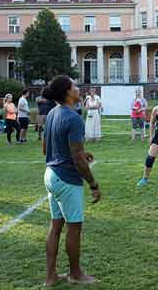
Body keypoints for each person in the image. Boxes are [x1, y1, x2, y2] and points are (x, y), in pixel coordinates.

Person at [43, 75, 101, 286]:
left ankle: (51, 277)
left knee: (55, 227)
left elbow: (46, 148)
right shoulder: (74, 117)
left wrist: (80, 153)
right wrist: (93, 184)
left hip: (51, 176)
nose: (79, 88)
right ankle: (75, 274)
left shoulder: (51, 113)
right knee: (74, 228)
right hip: (67, 180)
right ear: (68, 92)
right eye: (75, 85)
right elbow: (76, 158)